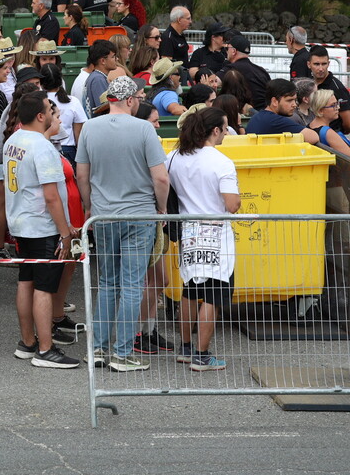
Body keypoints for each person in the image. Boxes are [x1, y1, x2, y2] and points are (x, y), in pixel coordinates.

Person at [75, 76, 169, 372]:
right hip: (139, 213)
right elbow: (161, 177)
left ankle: (99, 349)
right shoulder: (143, 129)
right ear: (129, 100)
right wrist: (162, 210)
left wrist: (89, 206)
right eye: (138, 97)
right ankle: (123, 352)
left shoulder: (90, 127)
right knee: (132, 285)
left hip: (104, 214)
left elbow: (82, 174)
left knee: (107, 284)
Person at [4, 93, 80, 369]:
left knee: (27, 281)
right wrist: (65, 233)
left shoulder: (14, 139)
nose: (53, 112)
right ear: (40, 116)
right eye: (50, 109)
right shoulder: (42, 146)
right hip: (41, 225)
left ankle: (28, 342)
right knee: (44, 288)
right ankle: (46, 349)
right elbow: (51, 197)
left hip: (22, 222)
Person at [167, 107, 240, 372]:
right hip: (217, 233)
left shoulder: (174, 156)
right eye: (224, 127)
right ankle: (202, 355)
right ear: (215, 130)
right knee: (214, 295)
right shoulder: (221, 161)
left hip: (188, 231)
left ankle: (186, 348)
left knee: (190, 290)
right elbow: (232, 204)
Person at [243, 79, 320, 142]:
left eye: (295, 100)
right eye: (289, 100)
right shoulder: (275, 121)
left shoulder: (257, 117)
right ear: (274, 101)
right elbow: (313, 137)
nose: (294, 104)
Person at [307, 45, 350, 131]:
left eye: (324, 64)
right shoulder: (308, 84)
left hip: (332, 135)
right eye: (316, 64)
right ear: (309, 64)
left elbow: (348, 123)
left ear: (328, 64)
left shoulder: (337, 88)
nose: (321, 68)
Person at [225, 35, 270, 110]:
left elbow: (214, 81)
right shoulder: (261, 71)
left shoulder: (232, 68)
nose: (226, 51)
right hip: (265, 111)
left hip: (248, 113)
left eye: (227, 48)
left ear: (233, 51)